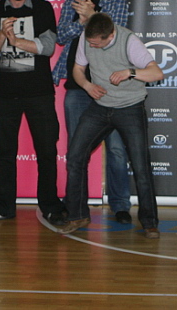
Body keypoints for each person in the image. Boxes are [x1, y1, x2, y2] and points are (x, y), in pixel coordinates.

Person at [59, 13, 163, 239]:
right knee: (75, 156)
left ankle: (149, 222)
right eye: (90, 42)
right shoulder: (86, 38)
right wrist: (87, 86)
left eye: (97, 43)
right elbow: (78, 69)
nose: (92, 46)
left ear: (110, 35)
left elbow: (157, 72)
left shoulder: (129, 41)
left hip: (130, 107)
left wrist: (130, 72)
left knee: (140, 166)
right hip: (100, 106)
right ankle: (78, 215)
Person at [0, 0, 67, 224]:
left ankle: (50, 205)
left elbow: (48, 47)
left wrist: (16, 41)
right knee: (4, 155)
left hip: (39, 93)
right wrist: (1, 36)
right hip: (5, 95)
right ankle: (3, 206)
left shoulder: (42, 8)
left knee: (47, 152)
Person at [52, 0, 133, 224]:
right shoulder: (71, 4)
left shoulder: (117, 3)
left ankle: (120, 205)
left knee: (117, 148)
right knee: (77, 150)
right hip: (77, 87)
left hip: (111, 87)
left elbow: (113, 37)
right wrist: (83, 20)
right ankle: (75, 205)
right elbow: (61, 36)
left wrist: (92, 17)